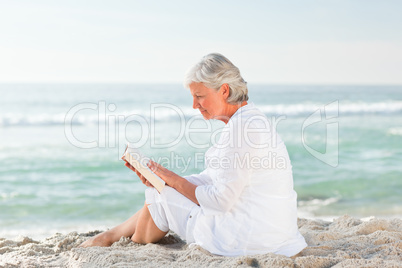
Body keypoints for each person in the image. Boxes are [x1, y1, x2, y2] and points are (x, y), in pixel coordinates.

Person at [79, 53, 307, 257]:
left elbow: (220, 201)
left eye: (199, 96)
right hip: (270, 230)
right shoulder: (248, 119)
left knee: (161, 197)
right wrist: (166, 178)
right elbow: (217, 177)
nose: (194, 105)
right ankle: (111, 236)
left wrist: (172, 181)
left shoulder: (242, 130)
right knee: (163, 189)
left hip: (252, 238)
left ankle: (125, 245)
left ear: (224, 90)